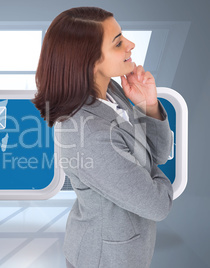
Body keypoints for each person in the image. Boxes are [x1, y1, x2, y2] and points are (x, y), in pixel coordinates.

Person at [31, 7, 174, 268]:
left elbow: (158, 153)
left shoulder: (111, 91)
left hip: (125, 250)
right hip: (104, 259)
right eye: (118, 42)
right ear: (89, 60)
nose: (130, 45)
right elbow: (158, 205)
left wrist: (148, 106)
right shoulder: (89, 136)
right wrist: (150, 170)